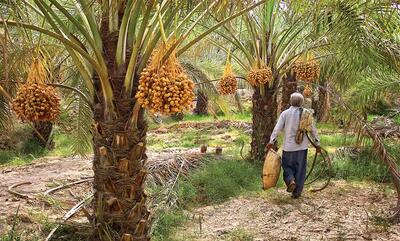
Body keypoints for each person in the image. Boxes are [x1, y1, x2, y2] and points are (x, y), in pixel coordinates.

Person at [266, 92, 321, 199]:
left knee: (287, 167)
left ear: (291, 101)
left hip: (288, 147)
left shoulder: (285, 114)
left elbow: (277, 129)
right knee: (300, 169)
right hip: (302, 148)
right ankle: (297, 193)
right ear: (302, 102)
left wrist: (271, 141)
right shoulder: (307, 113)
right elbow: (313, 130)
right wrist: (317, 144)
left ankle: (291, 180)